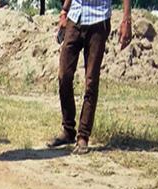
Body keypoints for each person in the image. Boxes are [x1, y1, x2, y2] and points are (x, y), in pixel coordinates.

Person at [46, 0, 132, 154]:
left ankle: (83, 135)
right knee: (64, 75)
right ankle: (68, 130)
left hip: (98, 20)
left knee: (91, 80)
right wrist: (64, 11)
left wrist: (126, 20)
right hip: (76, 16)